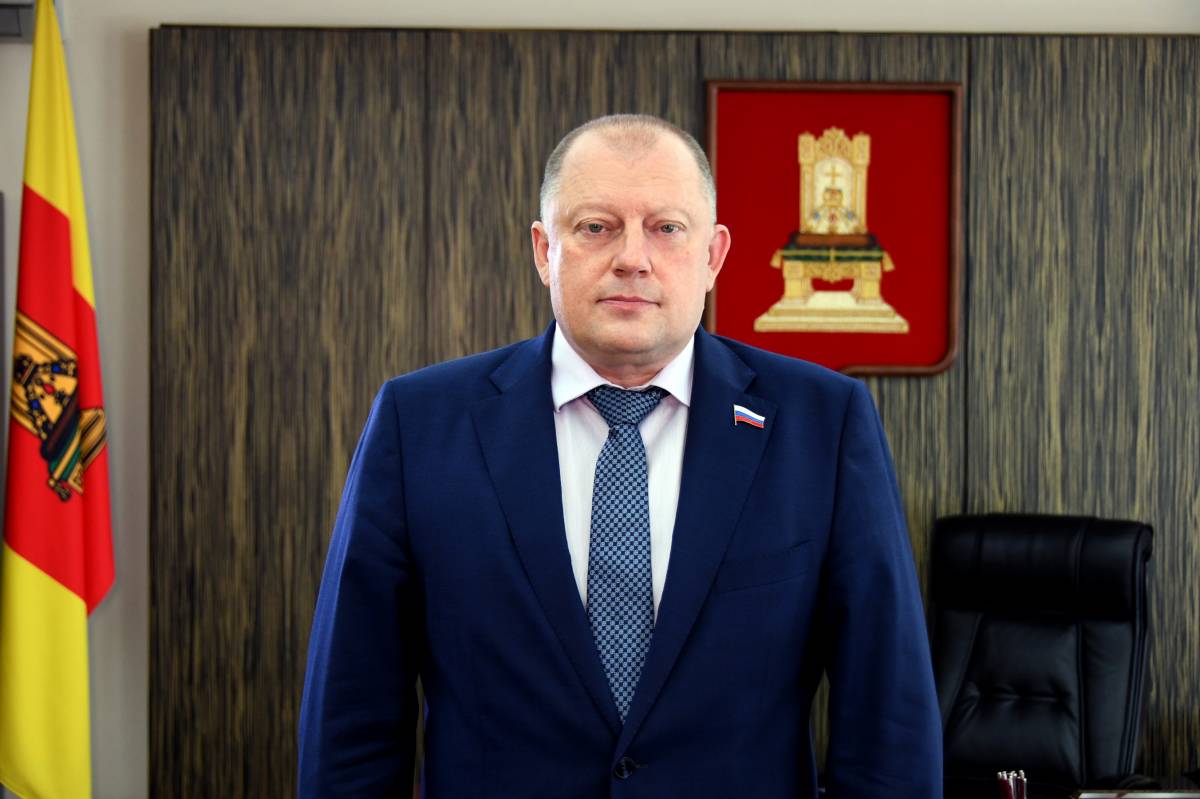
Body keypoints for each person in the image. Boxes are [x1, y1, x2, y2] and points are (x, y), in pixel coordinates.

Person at [298, 114, 941, 797]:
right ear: (544, 250)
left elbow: (889, 724)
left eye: (667, 228)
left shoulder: (823, 425)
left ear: (713, 255)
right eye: (597, 227)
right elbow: (352, 721)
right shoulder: (419, 423)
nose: (633, 257)